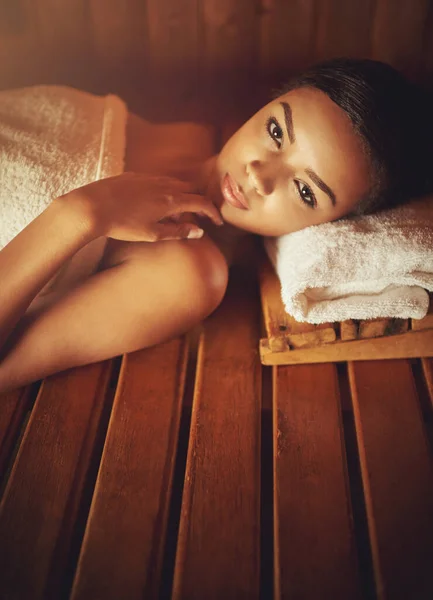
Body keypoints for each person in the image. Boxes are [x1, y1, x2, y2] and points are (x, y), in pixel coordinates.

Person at [0, 58, 432, 392]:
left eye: (305, 192)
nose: (259, 175)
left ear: (333, 226)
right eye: (277, 131)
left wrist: (80, 213)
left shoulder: (187, 274)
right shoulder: (184, 131)